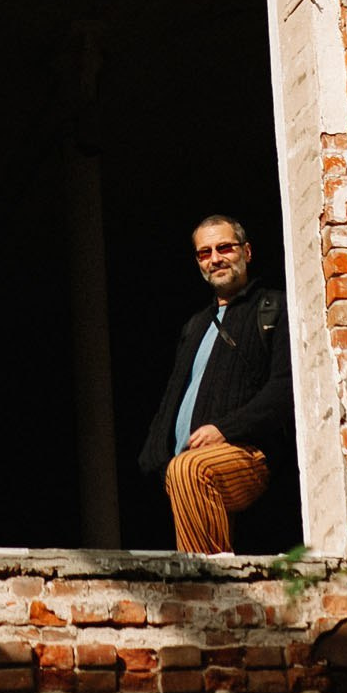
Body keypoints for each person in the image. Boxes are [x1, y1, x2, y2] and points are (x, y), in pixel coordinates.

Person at [138, 214, 292, 554]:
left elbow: (285, 388)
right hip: (183, 465)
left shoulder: (273, 307)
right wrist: (155, 460)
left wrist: (224, 429)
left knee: (190, 470)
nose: (215, 258)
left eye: (225, 248)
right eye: (204, 253)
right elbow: (173, 398)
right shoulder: (196, 325)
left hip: (247, 454)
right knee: (184, 472)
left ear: (246, 252)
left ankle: (208, 583)